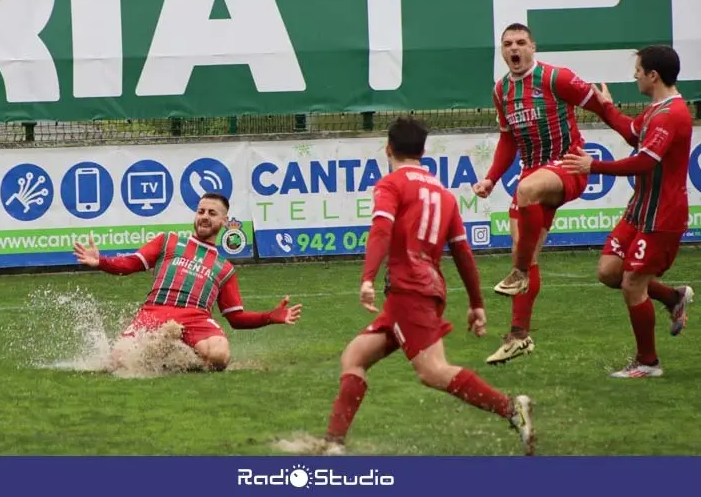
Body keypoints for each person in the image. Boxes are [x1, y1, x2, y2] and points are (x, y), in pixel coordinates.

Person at [321, 116, 535, 456]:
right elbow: (463, 252)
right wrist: (476, 303)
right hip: (423, 289)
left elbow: (380, 231)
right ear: (424, 151)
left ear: (388, 148)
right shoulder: (442, 193)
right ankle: (333, 444)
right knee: (355, 356)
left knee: (433, 371)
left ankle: (511, 407)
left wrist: (367, 278)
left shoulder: (391, 185)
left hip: (409, 290)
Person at [472, 22, 609, 365]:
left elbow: (602, 107)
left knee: (526, 191)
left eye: (520, 42)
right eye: (507, 44)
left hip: (568, 167)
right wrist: (490, 179)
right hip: (533, 174)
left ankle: (517, 274)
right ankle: (518, 336)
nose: (514, 49)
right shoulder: (501, 90)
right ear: (502, 51)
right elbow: (507, 140)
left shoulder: (555, 78)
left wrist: (634, 133)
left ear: (533, 47)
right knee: (523, 249)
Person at [561, 45, 694, 378]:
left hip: (661, 217)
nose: (634, 74)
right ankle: (673, 297)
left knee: (633, 283)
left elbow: (645, 160)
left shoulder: (672, 114)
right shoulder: (655, 110)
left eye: (638, 69)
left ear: (653, 75)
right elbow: (631, 133)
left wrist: (595, 166)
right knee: (609, 271)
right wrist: (605, 108)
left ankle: (648, 363)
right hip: (640, 211)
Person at [73, 192, 302, 372]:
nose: (204, 216)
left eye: (212, 213)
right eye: (201, 211)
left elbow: (236, 318)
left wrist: (271, 317)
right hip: (156, 311)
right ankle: (171, 349)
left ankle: (178, 351)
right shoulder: (168, 241)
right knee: (119, 361)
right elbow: (131, 263)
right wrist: (101, 261)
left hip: (197, 318)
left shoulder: (225, 268)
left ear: (223, 221)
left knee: (219, 357)